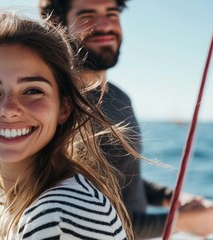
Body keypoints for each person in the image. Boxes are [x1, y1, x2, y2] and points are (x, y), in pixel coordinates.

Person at [0, 8, 143, 240]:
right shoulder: (6, 200)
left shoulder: (60, 215)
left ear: (63, 107)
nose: (9, 110)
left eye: (33, 91)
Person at [38, 0, 213, 239]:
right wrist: (183, 222)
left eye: (112, 13)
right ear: (56, 23)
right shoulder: (56, 106)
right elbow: (81, 219)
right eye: (88, 14)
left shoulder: (119, 97)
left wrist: (172, 198)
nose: (105, 25)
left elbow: (124, 179)